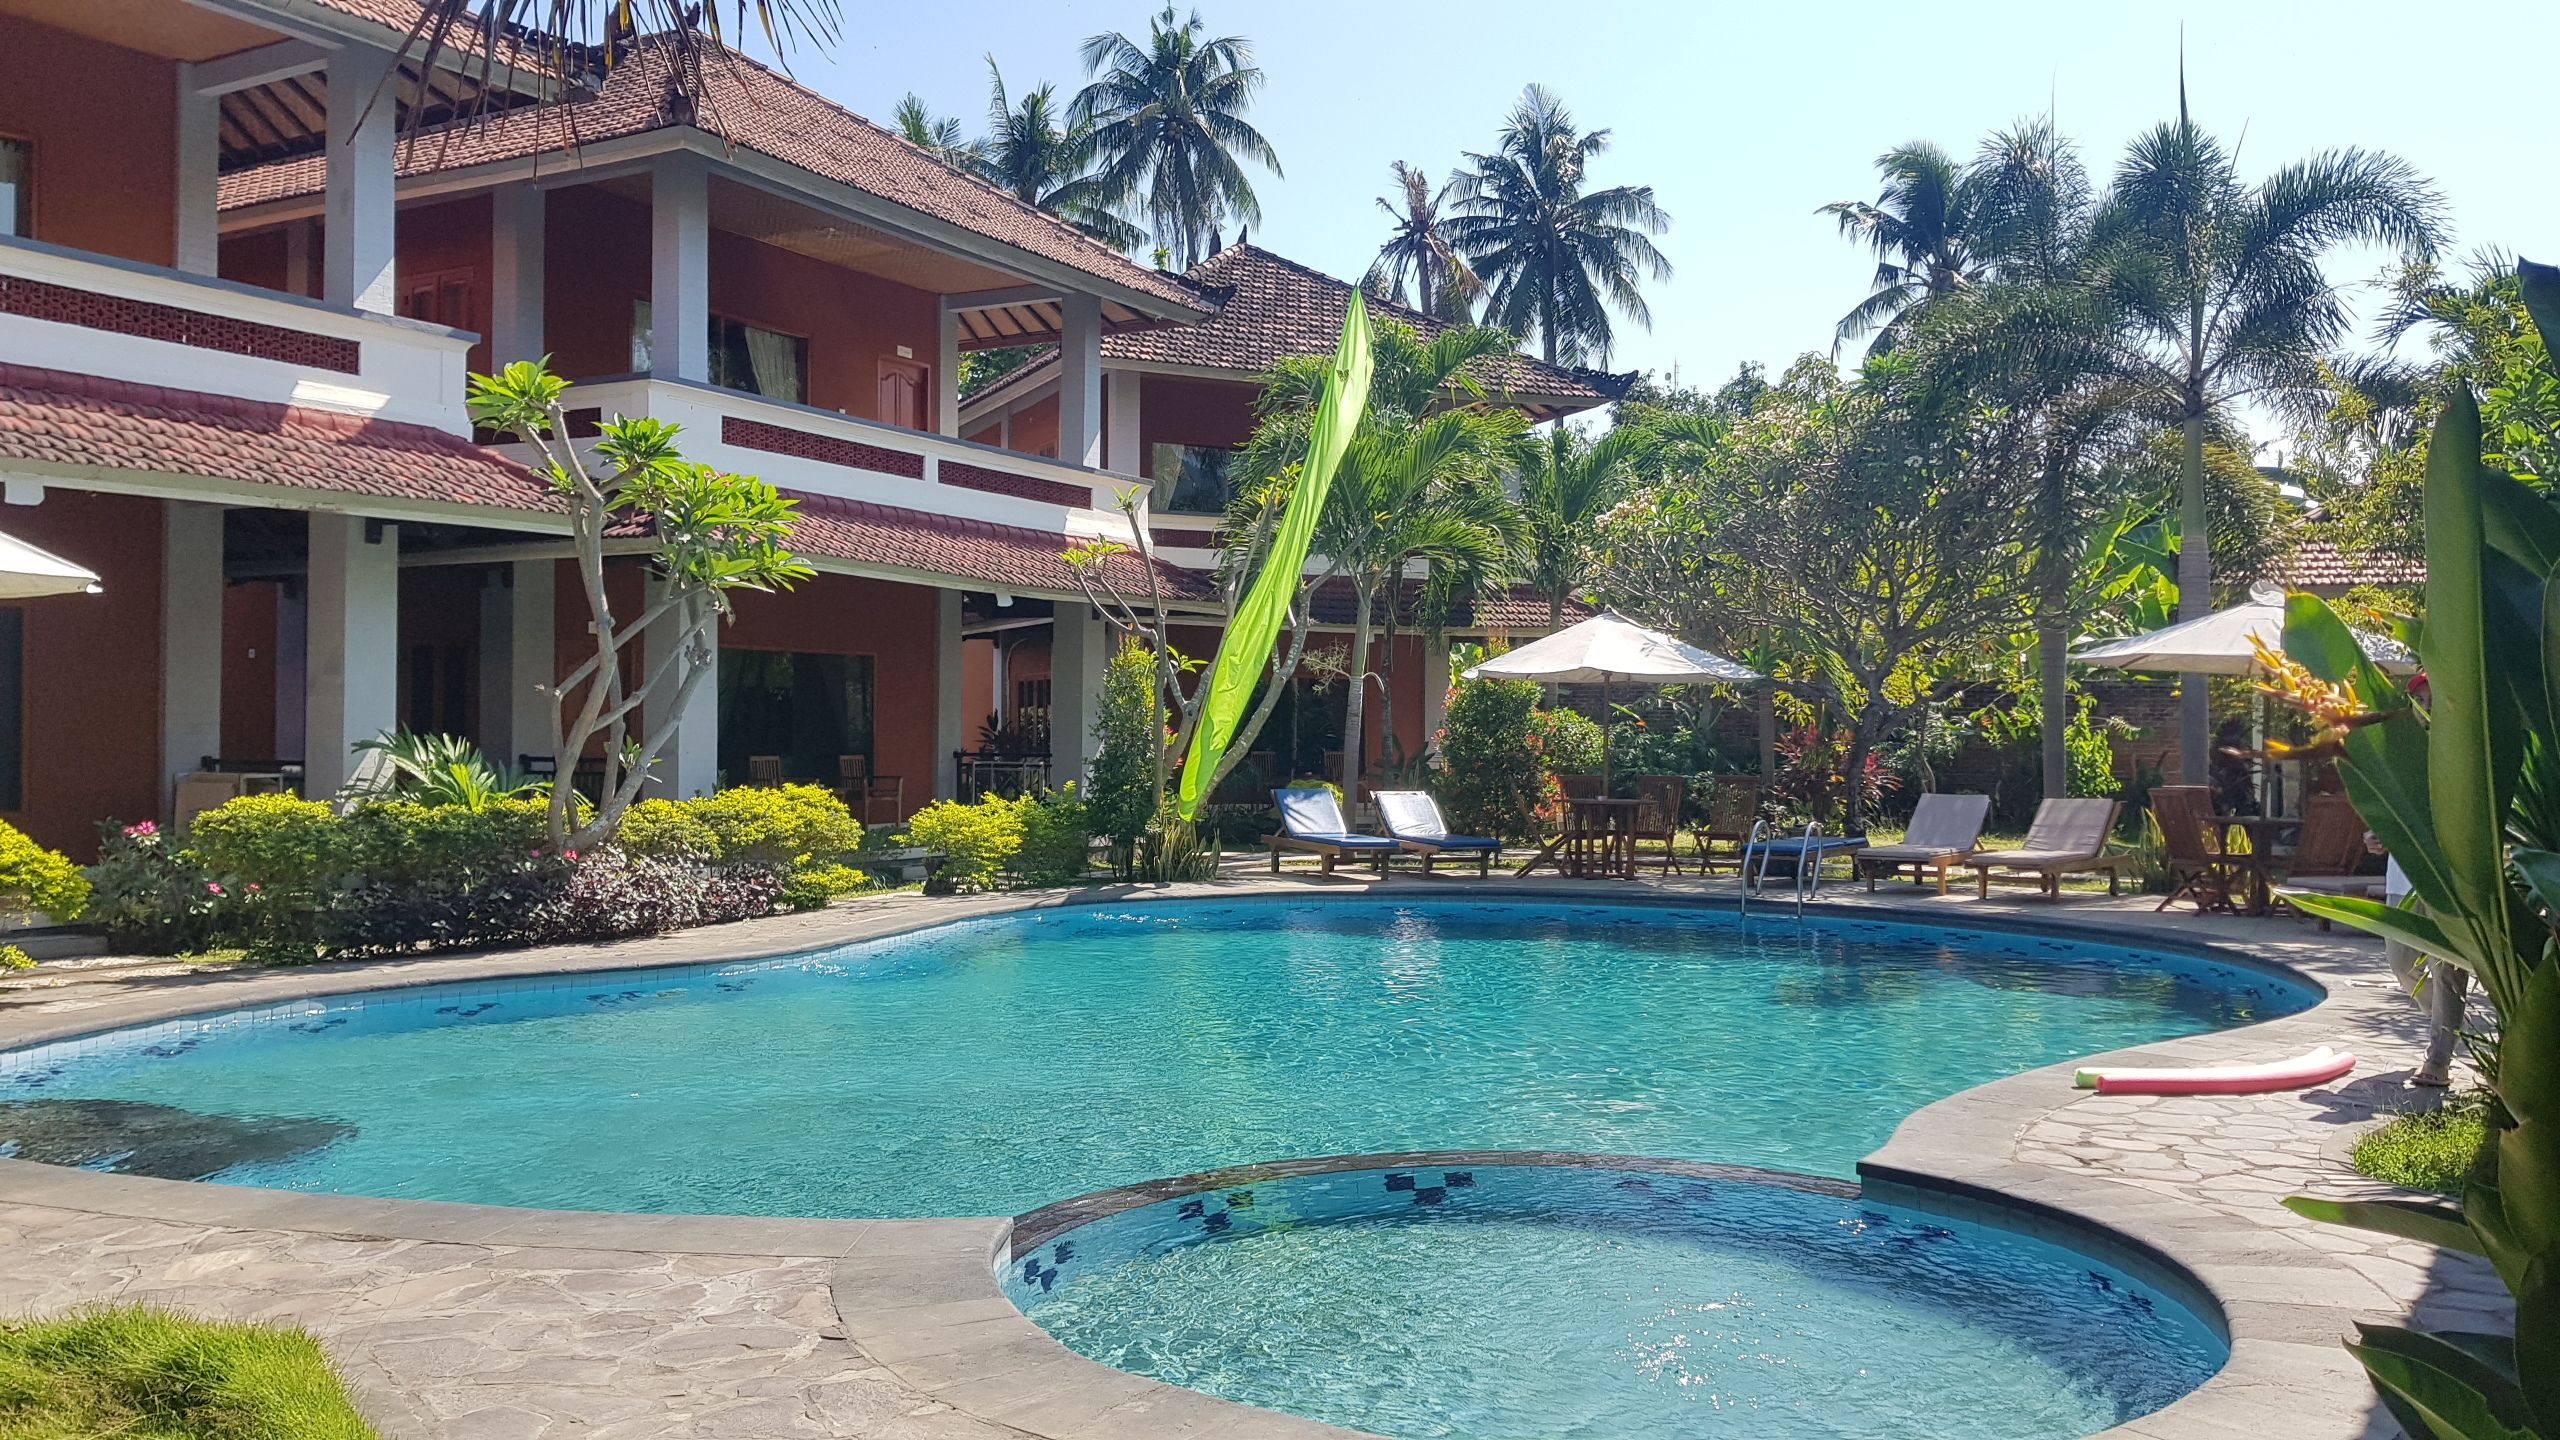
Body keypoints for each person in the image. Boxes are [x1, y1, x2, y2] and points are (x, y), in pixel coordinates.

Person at [2376, 835, 2468, 1086]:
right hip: (2402, 883)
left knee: (2447, 972)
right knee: (2400, 963)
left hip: (2448, 883)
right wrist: (2376, 834)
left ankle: (2438, 1060)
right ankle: (2446, 1016)